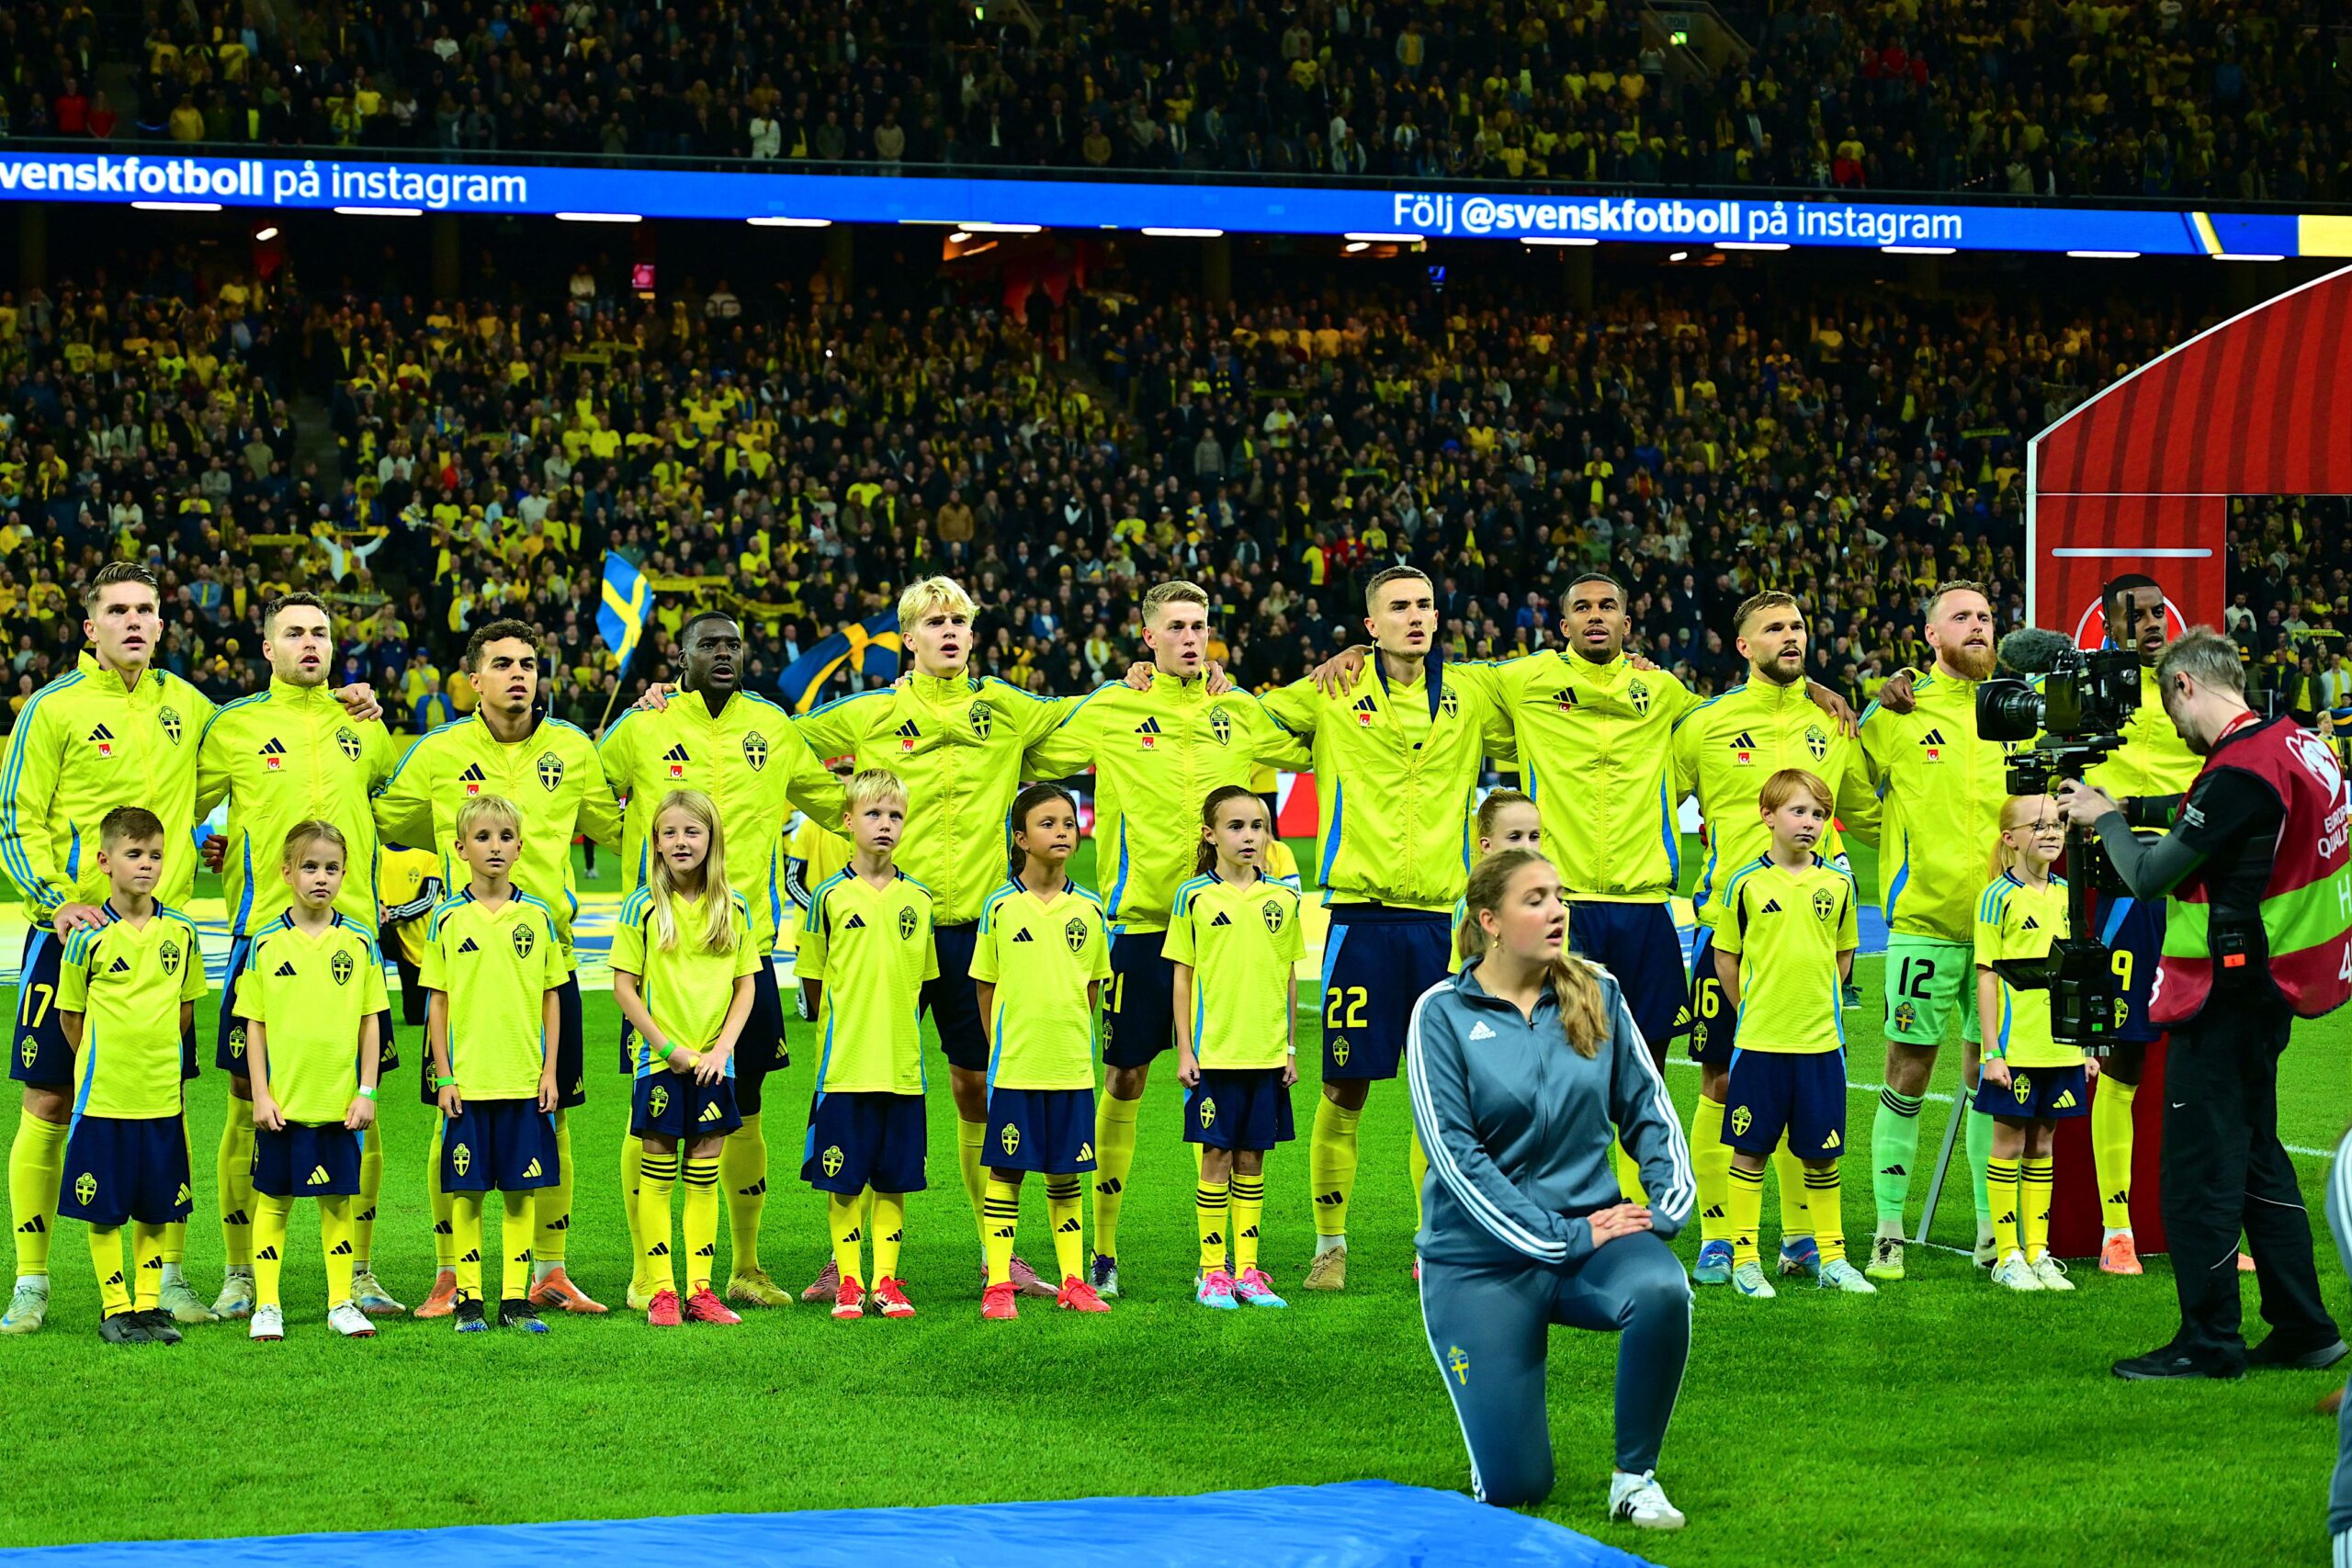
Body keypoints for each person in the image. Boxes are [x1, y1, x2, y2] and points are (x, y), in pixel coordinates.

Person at [2057, 628, 2351, 1379]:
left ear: (2185, 685)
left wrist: (2105, 816)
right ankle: (2305, 1327)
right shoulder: (2296, 743)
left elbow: (2148, 874)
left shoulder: (2237, 771)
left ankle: (2209, 1341)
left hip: (2224, 990)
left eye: (2171, 709)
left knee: (2197, 1172)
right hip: (2274, 980)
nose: (2179, 730)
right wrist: (2137, 802)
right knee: (2256, 1158)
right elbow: (2219, 809)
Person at [1020, 579, 1305, 1299]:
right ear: (1147, 637)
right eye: (1175, 626)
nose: (1189, 637)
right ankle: (1102, 1249)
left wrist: (1344, 667)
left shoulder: (1237, 710)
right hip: (1141, 927)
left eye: (1199, 625)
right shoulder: (1115, 707)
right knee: (1124, 1078)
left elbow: (1313, 740)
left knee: (1229, 1083)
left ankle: (1227, 1261)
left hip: (1226, 931)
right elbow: (1033, 747)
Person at [791, 578, 1071, 1301]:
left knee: (979, 1085)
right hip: (887, 923)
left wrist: (1142, 679)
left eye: (959, 621)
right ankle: (845, 1260)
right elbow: (781, 746)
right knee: (861, 1084)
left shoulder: (1005, 709)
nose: (949, 631)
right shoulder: (871, 712)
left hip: (976, 932)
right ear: (908, 638)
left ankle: (997, 1252)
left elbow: (1086, 719)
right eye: (934, 621)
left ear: (973, 634)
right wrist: (847, 809)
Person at [1409, 848, 1694, 1526]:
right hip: (1479, 1262)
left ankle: (1635, 1479)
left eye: (1559, 896)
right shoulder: (1440, 1013)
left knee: (1662, 1288)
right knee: (1518, 1487)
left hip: (1593, 1239)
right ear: (1490, 921)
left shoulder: (1598, 990)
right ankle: (1502, 1459)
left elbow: (1648, 1107)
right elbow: (1456, 1156)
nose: (1557, 911)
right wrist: (1562, 1235)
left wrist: (1664, 1207)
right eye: (1535, 899)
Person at [1261, 566, 1514, 1291]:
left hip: (1444, 924)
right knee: (1345, 1088)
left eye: (1425, 604)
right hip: (1361, 919)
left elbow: (1557, 698)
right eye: (1399, 606)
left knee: (1442, 1095)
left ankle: (1434, 1242)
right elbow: (1247, 718)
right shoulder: (1334, 691)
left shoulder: (1471, 693)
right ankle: (1329, 1244)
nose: (1416, 616)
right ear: (1371, 625)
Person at [375, 618, 619, 1317]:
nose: (519, 675)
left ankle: (550, 1270)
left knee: (554, 1113)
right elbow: (383, 820)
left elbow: (618, 826)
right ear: (473, 679)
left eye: (529, 664)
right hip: (466, 970)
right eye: (503, 663)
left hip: (549, 964)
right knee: (450, 1116)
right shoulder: (438, 752)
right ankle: (450, 1273)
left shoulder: (572, 748)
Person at [599, 611, 842, 1312]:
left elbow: (832, 802)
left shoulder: (772, 726)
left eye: (734, 643)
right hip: (663, 952)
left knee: (743, 1108)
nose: (725, 653)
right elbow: (583, 795)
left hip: (745, 950)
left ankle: (745, 1266)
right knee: (648, 1114)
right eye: (709, 644)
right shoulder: (643, 724)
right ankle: (648, 1273)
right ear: (682, 656)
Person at [197, 592, 401, 1322]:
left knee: (361, 1104)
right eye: (293, 632)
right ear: (267, 647)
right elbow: (177, 804)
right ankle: (238, 1273)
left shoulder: (363, 724)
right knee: (249, 1105)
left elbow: (399, 803)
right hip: (263, 939)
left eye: (320, 632)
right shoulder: (234, 725)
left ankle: (362, 1273)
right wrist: (205, 845)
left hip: (353, 943)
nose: (309, 642)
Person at [1672, 592, 1879, 1287]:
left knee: (1804, 1079)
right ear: (1743, 646)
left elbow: (1866, 812)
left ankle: (1802, 1240)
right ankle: (1717, 1238)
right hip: (1731, 929)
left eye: (1797, 626)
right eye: (1774, 628)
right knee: (1721, 1080)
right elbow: (1656, 798)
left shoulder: (1834, 721)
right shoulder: (1706, 724)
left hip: (1812, 934)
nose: (1790, 637)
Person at [1855, 581, 2013, 1280]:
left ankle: (1990, 1232)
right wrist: (1903, 851)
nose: (1977, 626)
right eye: (1962, 617)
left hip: (2004, 929)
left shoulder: (2016, 709)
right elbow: (1849, 791)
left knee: (1990, 1075)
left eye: (1985, 617)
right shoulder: (1898, 711)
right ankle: (1888, 1229)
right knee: (1908, 1070)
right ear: (1930, 635)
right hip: (1925, 923)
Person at [1711, 768, 1874, 1297]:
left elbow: (1844, 955)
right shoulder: (1745, 884)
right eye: (1798, 811)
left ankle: (1833, 1258)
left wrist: (1816, 1002)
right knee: (1750, 1151)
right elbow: (1725, 957)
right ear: (1768, 816)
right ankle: (1745, 1260)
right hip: (1760, 1043)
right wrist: (1751, 1008)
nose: (1810, 823)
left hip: (1821, 1044)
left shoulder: (1839, 885)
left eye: (1819, 814)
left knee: (1822, 1154)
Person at [52, 807, 209, 1344]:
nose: (147, 865)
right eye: (134, 854)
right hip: (105, 1095)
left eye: (156, 855)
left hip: (161, 1095)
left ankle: (148, 1304)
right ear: (105, 861)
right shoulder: (86, 936)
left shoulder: (182, 931)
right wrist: (102, 1061)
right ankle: (115, 1306)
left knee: (155, 1204)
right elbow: (71, 1016)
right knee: (106, 1206)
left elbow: (185, 1009)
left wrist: (155, 1055)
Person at [234, 820, 389, 1341]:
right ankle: (268, 1305)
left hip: (339, 1103)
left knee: (338, 1202)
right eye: (310, 867)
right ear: (287, 873)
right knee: (274, 1202)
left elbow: (371, 1021)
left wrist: (367, 1090)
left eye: (332, 868)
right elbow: (254, 1027)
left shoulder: (359, 941)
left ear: (344, 873)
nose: (321, 878)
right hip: (284, 1104)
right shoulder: (265, 942)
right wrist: (261, 1094)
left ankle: (340, 1302)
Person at [611, 789, 759, 1330]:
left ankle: (700, 1291)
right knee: (657, 1173)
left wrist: (722, 1050)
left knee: (703, 1175)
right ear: (655, 842)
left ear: (711, 839)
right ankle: (662, 1291)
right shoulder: (643, 906)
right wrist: (667, 1049)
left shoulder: (734, 906)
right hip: (660, 1063)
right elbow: (624, 988)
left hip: (716, 1064)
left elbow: (746, 987)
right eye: (669, 832)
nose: (681, 841)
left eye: (692, 831)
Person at [422, 795, 569, 1336]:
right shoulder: (447, 919)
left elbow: (552, 996)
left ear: (520, 847)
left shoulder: (537, 916)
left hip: (523, 1078)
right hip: (469, 1081)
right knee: (467, 1191)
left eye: (505, 837)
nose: (495, 847)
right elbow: (437, 1003)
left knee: (520, 1191)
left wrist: (549, 1071)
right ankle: (469, 1300)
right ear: (460, 849)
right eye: (482, 837)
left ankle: (514, 1301)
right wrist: (445, 1075)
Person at [969, 784, 1115, 1320]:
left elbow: (1093, 986)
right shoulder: (1000, 907)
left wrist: (1067, 1033)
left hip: (1071, 1066)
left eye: (1068, 823)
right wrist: (1002, 1045)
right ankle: (998, 1283)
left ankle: (1073, 1281)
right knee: (1007, 1172)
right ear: (1020, 839)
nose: (1061, 832)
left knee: (1065, 1174)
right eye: (1047, 823)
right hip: (1016, 1065)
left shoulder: (1090, 908)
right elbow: (985, 985)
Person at [796, 769, 935, 1321]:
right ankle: (849, 1281)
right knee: (845, 1179)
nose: (885, 824)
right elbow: (813, 979)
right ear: (848, 821)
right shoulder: (828, 896)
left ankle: (886, 1281)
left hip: (902, 1066)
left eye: (895, 815)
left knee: (894, 1179)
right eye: (873, 814)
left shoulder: (918, 898)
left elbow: (922, 982)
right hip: (845, 1066)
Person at [1169, 786, 1303, 1310]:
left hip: (1266, 1054)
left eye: (1258, 826)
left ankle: (1247, 1271)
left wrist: (1289, 1049)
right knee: (1217, 1156)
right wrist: (1186, 1050)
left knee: (1252, 1158)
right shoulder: (1193, 897)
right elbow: (1183, 977)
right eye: (1236, 826)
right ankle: (1211, 1272)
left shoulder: (1284, 899)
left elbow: (1288, 976)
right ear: (1210, 835)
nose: (1249, 836)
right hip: (1216, 1055)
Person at [1973, 795, 2092, 1294]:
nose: (2050, 833)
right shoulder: (1996, 897)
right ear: (2010, 838)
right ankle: (2006, 1255)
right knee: (2009, 1143)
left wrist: (2085, 1046)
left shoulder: (2069, 893)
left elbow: (2081, 972)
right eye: (2038, 825)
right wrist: (1991, 1051)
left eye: (2057, 824)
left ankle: (2038, 1252)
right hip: (2016, 1047)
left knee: (2043, 1142)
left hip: (2060, 1046)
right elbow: (1986, 976)